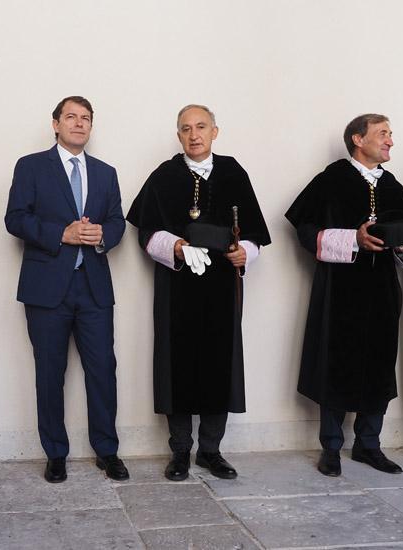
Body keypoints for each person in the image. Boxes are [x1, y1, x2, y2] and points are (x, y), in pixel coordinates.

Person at [127, 105, 270, 481]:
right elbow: (146, 231)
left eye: (201, 127)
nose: (194, 135)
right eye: (186, 129)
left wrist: (246, 252)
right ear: (178, 136)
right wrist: (174, 246)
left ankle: (211, 451)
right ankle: (179, 451)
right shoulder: (164, 175)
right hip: (177, 288)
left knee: (218, 366)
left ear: (215, 132)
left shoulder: (234, 173)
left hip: (222, 288)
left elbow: (254, 234)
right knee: (178, 367)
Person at [5, 96, 128, 483]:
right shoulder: (31, 167)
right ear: (55, 124)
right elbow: (15, 218)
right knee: (49, 373)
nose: (79, 124)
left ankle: (107, 451)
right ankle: (55, 453)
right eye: (71, 117)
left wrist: (102, 235)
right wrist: (61, 233)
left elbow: (117, 222)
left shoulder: (106, 173)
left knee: (103, 371)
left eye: (85, 118)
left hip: (93, 289)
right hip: (46, 290)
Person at [285, 114, 403, 477]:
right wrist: (352, 239)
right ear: (358, 139)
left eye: (391, 134)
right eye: (383, 134)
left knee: (379, 364)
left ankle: (368, 444)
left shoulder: (393, 186)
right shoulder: (331, 180)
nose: (390, 141)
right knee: (335, 364)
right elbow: (304, 229)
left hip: (383, 292)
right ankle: (330, 446)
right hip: (339, 291)